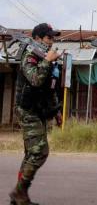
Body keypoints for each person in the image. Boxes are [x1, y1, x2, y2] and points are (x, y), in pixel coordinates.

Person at [10, 23, 62, 205]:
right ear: (38, 39)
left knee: (30, 154)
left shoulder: (45, 57)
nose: (51, 42)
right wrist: (47, 61)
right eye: (49, 38)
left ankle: (19, 196)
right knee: (39, 152)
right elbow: (35, 80)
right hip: (27, 109)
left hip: (39, 109)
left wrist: (56, 111)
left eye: (53, 38)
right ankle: (19, 192)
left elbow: (51, 87)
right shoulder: (30, 55)